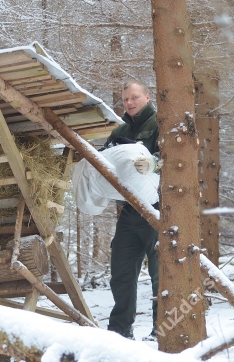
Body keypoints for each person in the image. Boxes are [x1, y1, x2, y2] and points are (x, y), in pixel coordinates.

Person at [103, 80, 160, 341]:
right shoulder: (120, 131)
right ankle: (119, 332)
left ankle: (162, 331)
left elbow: (175, 154)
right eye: (126, 99)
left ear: (147, 97)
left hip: (158, 208)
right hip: (129, 211)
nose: (129, 102)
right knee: (121, 272)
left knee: (162, 272)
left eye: (135, 97)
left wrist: (154, 163)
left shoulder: (161, 123)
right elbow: (107, 164)